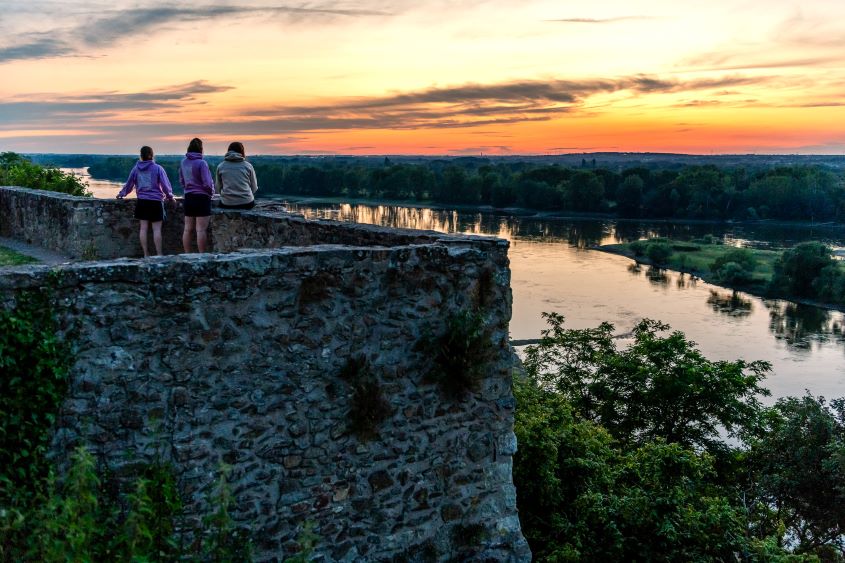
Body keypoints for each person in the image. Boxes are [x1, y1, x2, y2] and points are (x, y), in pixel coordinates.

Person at [116, 145, 174, 257]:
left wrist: (122, 194)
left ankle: (146, 254)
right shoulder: (158, 168)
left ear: (141, 156)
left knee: (143, 229)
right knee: (157, 230)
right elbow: (165, 186)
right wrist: (170, 197)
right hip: (156, 202)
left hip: (142, 202)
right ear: (152, 155)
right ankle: (159, 254)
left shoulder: (136, 169)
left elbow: (129, 184)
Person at [179, 137, 214, 253]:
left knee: (187, 229)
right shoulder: (202, 163)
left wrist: (187, 188)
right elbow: (207, 183)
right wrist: (211, 193)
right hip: (201, 198)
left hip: (188, 197)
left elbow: (182, 180)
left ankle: (187, 255)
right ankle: (202, 256)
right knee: (200, 230)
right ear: (201, 149)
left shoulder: (183, 162)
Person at [216, 141, 258, 210]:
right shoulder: (248, 166)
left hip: (227, 203)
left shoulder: (221, 166)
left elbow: (218, 188)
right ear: (242, 152)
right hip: (246, 202)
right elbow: (254, 188)